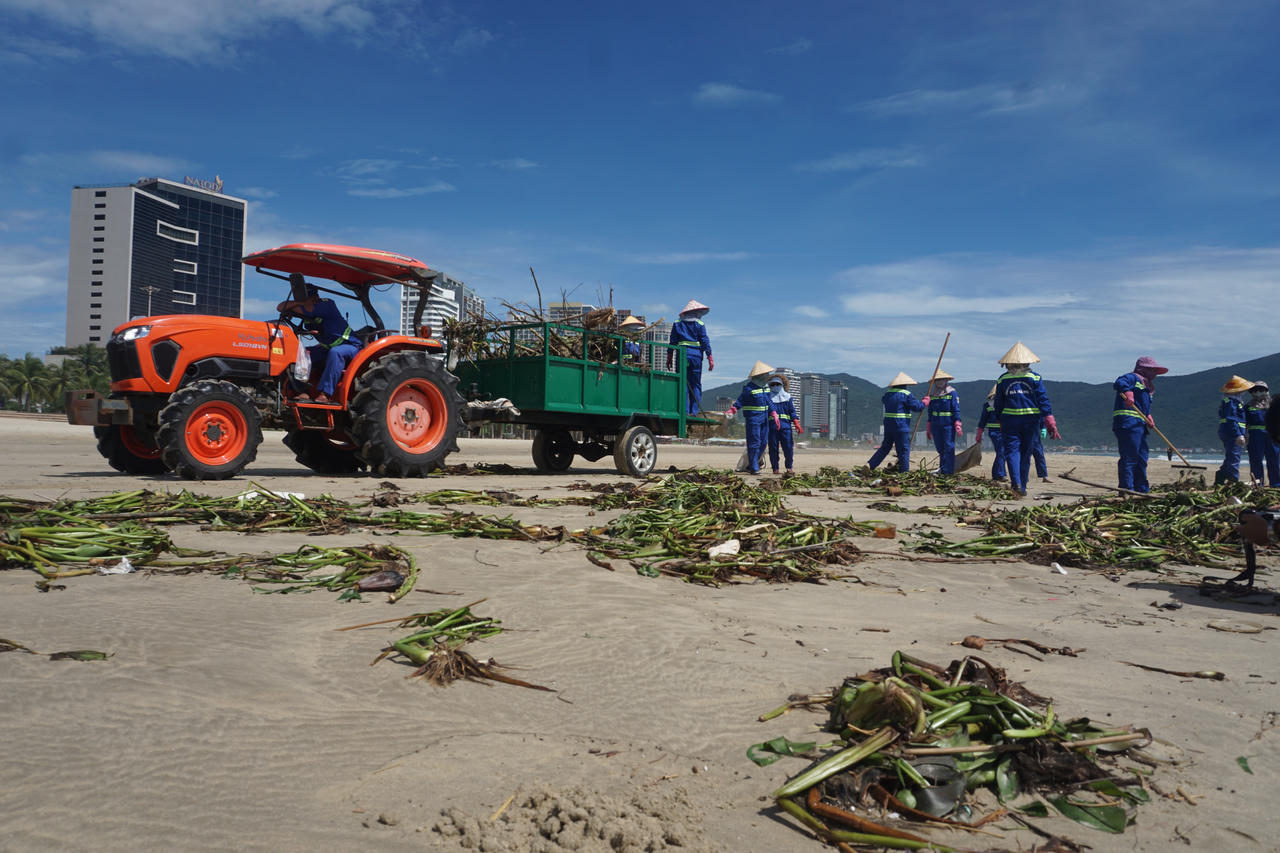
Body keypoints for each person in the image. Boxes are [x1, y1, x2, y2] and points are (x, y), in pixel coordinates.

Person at [276, 277, 361, 404]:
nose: (306, 301)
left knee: (336, 353)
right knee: (303, 353)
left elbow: (305, 309)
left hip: (350, 346)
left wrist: (298, 306)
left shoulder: (327, 304)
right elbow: (281, 307)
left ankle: (325, 394)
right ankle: (300, 391)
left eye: (308, 297)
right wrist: (300, 303)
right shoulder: (306, 308)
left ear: (315, 296)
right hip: (327, 347)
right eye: (302, 299)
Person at [994, 342, 1059, 498]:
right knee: (1025, 453)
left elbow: (998, 403)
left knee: (1012, 452)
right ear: (1027, 362)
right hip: (1031, 421)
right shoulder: (1035, 378)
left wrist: (1000, 419)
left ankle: (1016, 482)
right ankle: (1022, 485)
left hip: (1010, 420)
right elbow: (1043, 400)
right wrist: (1050, 420)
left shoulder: (1003, 379)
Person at [1112, 355, 1167, 493]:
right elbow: (1119, 382)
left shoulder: (1147, 386)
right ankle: (1127, 489)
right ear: (1143, 369)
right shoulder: (1133, 378)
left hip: (1139, 425)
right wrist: (1128, 392)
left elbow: (1143, 407)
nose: (1155, 374)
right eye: (1152, 370)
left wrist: (1148, 416)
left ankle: (1141, 489)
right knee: (1130, 457)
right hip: (1128, 423)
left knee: (1142, 458)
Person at [726, 361, 779, 475]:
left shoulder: (766, 388)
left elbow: (769, 401)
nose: (769, 376)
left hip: (764, 419)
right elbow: (741, 400)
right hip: (753, 418)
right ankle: (754, 467)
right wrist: (733, 409)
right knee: (754, 442)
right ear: (760, 375)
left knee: (763, 443)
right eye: (767, 374)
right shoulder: (749, 388)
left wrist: (773, 412)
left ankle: (752, 463)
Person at [866, 371, 925, 472]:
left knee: (885, 447)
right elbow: (917, 407)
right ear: (905, 384)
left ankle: (870, 464)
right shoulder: (906, 394)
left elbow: (884, 400)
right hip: (901, 425)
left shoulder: (888, 394)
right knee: (903, 450)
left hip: (888, 425)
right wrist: (924, 402)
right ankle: (904, 472)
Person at [667, 300, 713, 414]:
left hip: (682, 354)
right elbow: (705, 341)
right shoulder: (700, 324)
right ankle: (694, 411)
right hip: (696, 355)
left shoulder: (677, 323)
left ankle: (684, 411)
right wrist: (710, 357)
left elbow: (673, 341)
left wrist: (669, 357)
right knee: (696, 384)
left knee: (683, 382)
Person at [925, 369, 962, 475]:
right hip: (936, 425)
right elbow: (930, 412)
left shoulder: (952, 393)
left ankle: (948, 472)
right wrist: (929, 426)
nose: (940, 381)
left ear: (946, 380)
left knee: (949, 448)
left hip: (948, 425)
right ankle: (943, 469)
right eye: (937, 380)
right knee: (940, 448)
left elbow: (956, 409)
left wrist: (957, 423)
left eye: (942, 379)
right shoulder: (932, 395)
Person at [1217, 375, 1251, 484]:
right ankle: (1233, 480)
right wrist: (1238, 434)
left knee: (1231, 456)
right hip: (1232, 433)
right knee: (1234, 457)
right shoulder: (1231, 402)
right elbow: (1231, 419)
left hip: (1230, 432)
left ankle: (1221, 477)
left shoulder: (1232, 402)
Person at [1245, 380, 1280, 487]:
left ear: (1266, 391)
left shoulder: (1274, 405)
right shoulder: (1247, 406)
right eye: (1255, 391)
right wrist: (1243, 435)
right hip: (1255, 436)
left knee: (1274, 460)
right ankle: (1257, 484)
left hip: (1272, 435)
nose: (1258, 393)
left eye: (1261, 390)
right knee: (1256, 460)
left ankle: (1276, 485)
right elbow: (1243, 422)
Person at [766, 373, 802, 474]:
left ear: (782, 385)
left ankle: (789, 467)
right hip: (772, 427)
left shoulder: (788, 397)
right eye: (772, 385)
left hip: (786, 427)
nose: (775, 386)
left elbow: (792, 412)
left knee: (788, 448)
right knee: (773, 449)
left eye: (777, 384)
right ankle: (775, 468)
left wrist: (796, 423)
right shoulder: (767, 398)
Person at [974, 385, 1006, 482]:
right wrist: (979, 433)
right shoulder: (988, 405)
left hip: (1005, 432)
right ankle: (1000, 474)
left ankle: (997, 474)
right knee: (1001, 452)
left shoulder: (1007, 404)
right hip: (994, 432)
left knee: (1002, 453)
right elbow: (983, 420)